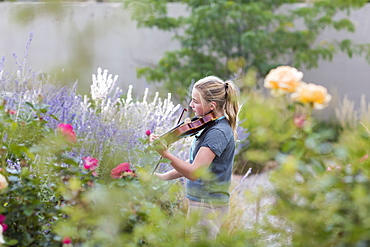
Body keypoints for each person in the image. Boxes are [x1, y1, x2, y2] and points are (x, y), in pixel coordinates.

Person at [150, 75, 239, 241]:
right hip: (201, 203)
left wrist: (165, 154)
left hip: (208, 205)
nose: (191, 105)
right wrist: (163, 177)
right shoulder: (211, 126)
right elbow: (196, 165)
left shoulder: (217, 132)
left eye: (195, 101)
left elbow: (194, 172)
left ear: (211, 106)